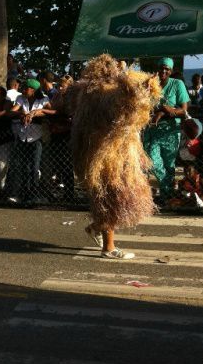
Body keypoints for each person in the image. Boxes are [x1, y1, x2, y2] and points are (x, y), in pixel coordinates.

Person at [68, 55, 160, 260]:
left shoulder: (85, 93)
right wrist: (140, 86)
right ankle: (108, 248)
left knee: (108, 197)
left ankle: (95, 228)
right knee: (111, 197)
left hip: (100, 155)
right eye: (115, 69)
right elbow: (123, 107)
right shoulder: (101, 93)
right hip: (107, 157)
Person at [143, 57, 189, 201]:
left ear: (171, 71)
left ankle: (166, 197)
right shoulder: (151, 85)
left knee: (169, 166)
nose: (164, 71)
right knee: (152, 161)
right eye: (162, 68)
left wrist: (163, 111)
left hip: (171, 132)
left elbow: (183, 110)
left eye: (167, 69)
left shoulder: (177, 84)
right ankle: (168, 190)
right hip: (153, 131)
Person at [4, 78, 53, 204]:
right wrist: (22, 113)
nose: (23, 90)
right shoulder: (21, 99)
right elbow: (10, 113)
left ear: (33, 90)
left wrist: (39, 112)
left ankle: (34, 194)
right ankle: (21, 194)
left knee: (35, 168)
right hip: (22, 137)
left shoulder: (44, 99)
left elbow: (53, 112)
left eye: (26, 88)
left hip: (36, 138)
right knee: (21, 167)